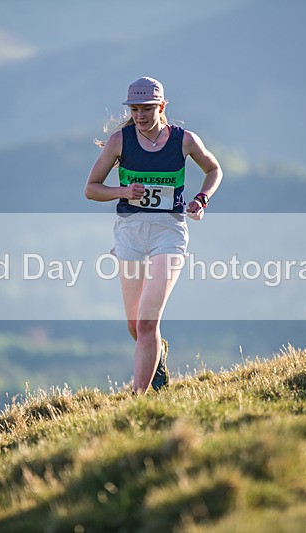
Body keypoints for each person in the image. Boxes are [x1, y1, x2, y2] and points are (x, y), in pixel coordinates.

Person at [85, 77, 222, 392]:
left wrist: (202, 199)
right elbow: (91, 189)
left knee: (148, 323)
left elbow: (214, 170)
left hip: (168, 232)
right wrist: (123, 190)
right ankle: (158, 356)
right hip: (130, 232)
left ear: (162, 106)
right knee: (136, 326)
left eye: (147, 108)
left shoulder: (184, 140)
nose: (140, 115)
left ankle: (139, 400)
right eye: (134, 109)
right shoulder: (119, 141)